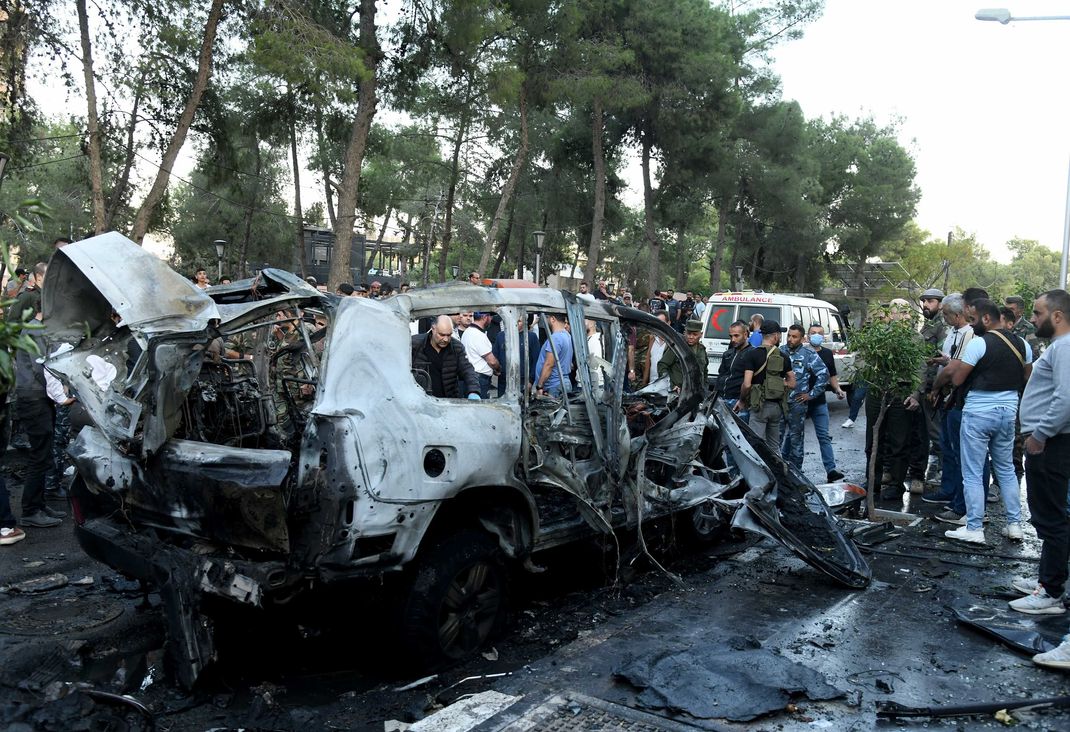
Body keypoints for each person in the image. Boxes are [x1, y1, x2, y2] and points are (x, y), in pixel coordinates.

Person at [936, 299, 1031, 545]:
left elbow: (957, 380)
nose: (971, 324)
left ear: (986, 319)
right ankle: (1014, 525)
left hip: (978, 413)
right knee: (1007, 470)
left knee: (973, 472)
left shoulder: (979, 343)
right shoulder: (1023, 345)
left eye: (973, 319)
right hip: (1008, 413)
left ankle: (975, 527)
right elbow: (1026, 379)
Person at [1006, 291, 1070, 638]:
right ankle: (1048, 580)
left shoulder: (1064, 347)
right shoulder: (1060, 347)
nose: (1032, 318)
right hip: (1051, 440)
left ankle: (1050, 591)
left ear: (1057, 316)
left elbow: (1066, 398)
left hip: (1052, 442)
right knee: (1051, 515)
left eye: (1038, 312)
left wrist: (1040, 434)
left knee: (1051, 516)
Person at [925, 293, 976, 513]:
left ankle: (958, 496)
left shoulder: (969, 334)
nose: (943, 318)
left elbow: (955, 368)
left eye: (945, 314)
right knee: (946, 446)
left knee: (957, 449)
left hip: (956, 398)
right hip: (946, 397)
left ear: (957, 315)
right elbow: (950, 359)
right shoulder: (953, 333)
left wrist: (936, 387)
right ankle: (947, 489)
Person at [17, 293, 64, 528]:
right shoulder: (36, 330)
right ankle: (30, 510)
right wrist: (61, 395)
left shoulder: (39, 329)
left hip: (39, 398)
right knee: (39, 455)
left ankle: (39, 503)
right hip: (33, 399)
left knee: (43, 453)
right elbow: (42, 368)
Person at [907, 288, 948, 490]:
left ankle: (945, 474)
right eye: (923, 301)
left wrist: (937, 389)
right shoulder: (930, 325)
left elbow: (943, 361)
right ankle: (921, 473)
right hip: (924, 387)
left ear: (940, 304)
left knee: (937, 434)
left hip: (935, 388)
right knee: (922, 433)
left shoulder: (942, 326)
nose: (925, 305)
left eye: (930, 301)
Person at [737, 320, 795, 449]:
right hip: (776, 407)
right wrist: (777, 384)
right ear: (775, 336)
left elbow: (746, 384)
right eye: (779, 335)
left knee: (756, 446)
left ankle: (759, 469)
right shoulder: (784, 356)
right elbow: (792, 383)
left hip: (758, 407)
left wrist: (741, 401)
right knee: (774, 447)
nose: (780, 337)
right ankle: (777, 469)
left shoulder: (751, 354)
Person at [780, 324, 829, 471]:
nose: (790, 339)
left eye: (794, 337)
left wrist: (811, 395)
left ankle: (796, 471)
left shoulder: (808, 354)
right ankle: (777, 469)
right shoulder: (780, 351)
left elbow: (823, 374)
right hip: (779, 402)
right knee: (776, 438)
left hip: (797, 403)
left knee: (796, 439)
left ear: (802, 338)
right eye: (789, 335)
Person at [805, 324, 846, 482]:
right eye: (813, 333)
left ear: (824, 336)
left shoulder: (827, 354)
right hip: (801, 401)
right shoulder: (802, 352)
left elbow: (832, 375)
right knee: (793, 436)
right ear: (807, 336)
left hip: (819, 402)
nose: (816, 336)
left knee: (824, 436)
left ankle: (831, 470)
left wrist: (838, 390)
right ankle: (791, 468)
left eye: (819, 333)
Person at [411, 315, 481, 399]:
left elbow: (468, 370)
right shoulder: (414, 344)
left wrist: (473, 391)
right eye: (442, 335)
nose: (446, 339)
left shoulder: (456, 347)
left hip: (448, 401)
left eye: (449, 335)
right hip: (421, 400)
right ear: (433, 329)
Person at [494, 318, 540, 397]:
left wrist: (531, 381)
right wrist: (496, 369)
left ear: (525, 322)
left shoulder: (531, 337)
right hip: (504, 381)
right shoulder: (501, 336)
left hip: (523, 381)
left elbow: (536, 360)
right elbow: (495, 355)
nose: (516, 323)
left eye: (519, 321)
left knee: (522, 407)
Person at [659, 320, 707, 394]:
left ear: (701, 334)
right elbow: (662, 365)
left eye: (695, 334)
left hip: (696, 392)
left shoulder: (702, 349)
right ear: (685, 333)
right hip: (679, 392)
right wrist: (671, 385)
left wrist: (704, 387)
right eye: (689, 334)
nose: (691, 337)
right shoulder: (678, 348)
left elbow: (704, 370)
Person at [533, 313, 574, 398]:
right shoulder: (567, 335)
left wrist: (540, 386)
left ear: (552, 319)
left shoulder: (556, 338)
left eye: (547, 317)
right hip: (561, 383)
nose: (546, 320)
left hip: (554, 386)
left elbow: (549, 364)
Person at [461, 312, 500, 399]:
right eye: (490, 316)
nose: (491, 319)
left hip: (472, 377)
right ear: (484, 317)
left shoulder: (468, 331)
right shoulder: (478, 335)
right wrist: (498, 369)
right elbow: (492, 361)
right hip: (479, 380)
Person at [718, 320, 752, 417]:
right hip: (721, 400)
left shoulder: (752, 354)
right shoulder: (728, 354)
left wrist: (742, 400)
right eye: (731, 336)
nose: (733, 339)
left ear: (745, 335)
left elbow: (749, 383)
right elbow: (721, 375)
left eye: (736, 336)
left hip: (738, 402)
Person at [643, 313, 671, 386]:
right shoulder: (652, 339)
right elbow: (648, 361)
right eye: (657, 322)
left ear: (668, 323)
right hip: (652, 384)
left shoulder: (673, 342)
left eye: (662, 322)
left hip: (666, 387)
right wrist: (644, 382)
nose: (659, 325)